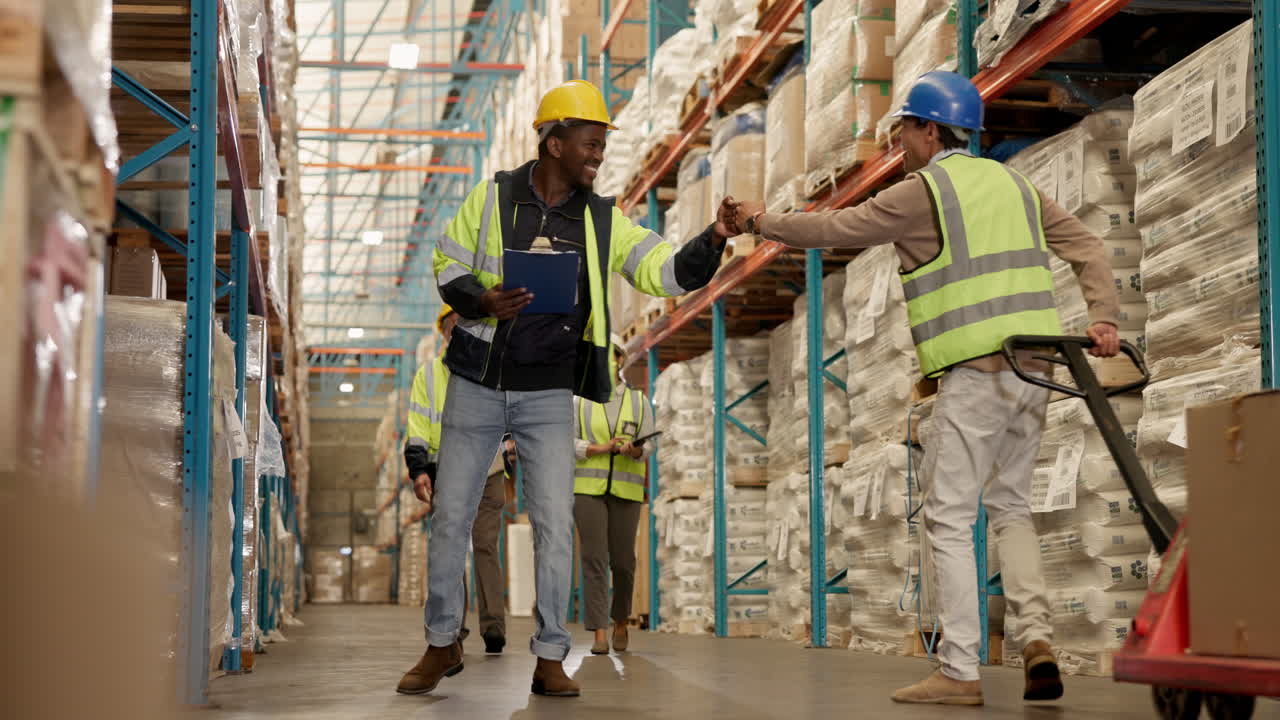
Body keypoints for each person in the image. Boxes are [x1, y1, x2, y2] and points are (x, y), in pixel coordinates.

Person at [726, 71, 1122, 706]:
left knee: (949, 516)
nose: (900, 142)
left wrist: (757, 219)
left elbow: (832, 230)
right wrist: (1103, 316)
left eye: (905, 128)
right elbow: (1090, 248)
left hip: (977, 371)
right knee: (1013, 507)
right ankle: (1038, 638)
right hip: (1039, 371)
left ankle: (960, 670)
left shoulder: (924, 192)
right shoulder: (1017, 186)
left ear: (930, 129)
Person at [397, 79, 735, 699]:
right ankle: (442, 641)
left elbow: (663, 271)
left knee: (554, 522)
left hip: (548, 391)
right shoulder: (493, 197)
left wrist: (711, 240)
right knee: (450, 519)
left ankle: (551, 655)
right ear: (553, 143)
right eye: (589, 143)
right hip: (475, 379)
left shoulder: (604, 221)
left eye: (602, 145)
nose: (598, 155)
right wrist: (483, 299)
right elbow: (446, 264)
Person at [403, 306, 510, 655]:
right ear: (447, 334)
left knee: (485, 545)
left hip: (489, 469)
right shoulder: (428, 376)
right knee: (451, 550)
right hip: (446, 471)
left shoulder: (495, 369)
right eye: (457, 328)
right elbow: (418, 426)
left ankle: (494, 627)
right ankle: (452, 628)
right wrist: (418, 469)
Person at [572, 336, 654, 656]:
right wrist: (595, 448)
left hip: (626, 489)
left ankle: (620, 620)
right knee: (594, 559)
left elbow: (649, 445)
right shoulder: (578, 401)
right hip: (587, 490)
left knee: (622, 562)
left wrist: (635, 450)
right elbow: (567, 441)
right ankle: (600, 633)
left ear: (621, 360)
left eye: (612, 355)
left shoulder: (639, 402)